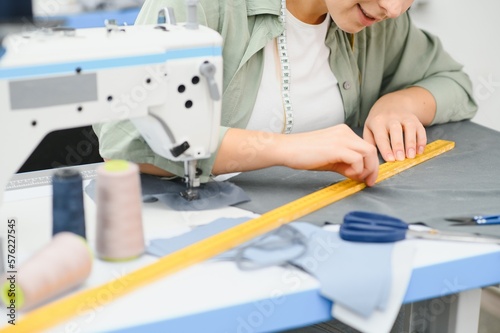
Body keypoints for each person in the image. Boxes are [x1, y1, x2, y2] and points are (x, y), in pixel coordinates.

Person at [93, 0, 476, 187]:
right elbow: (124, 135)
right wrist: (285, 149)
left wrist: (400, 102)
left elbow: (453, 82)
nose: (392, 8)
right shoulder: (206, 6)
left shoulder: (377, 20)